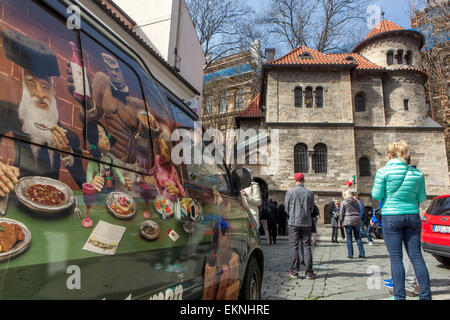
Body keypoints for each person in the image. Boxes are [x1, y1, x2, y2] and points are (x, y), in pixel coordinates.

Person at [0, 28, 86, 196]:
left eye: (45, 87)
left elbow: (83, 182)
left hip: (53, 200)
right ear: (24, 88)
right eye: (31, 85)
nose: (39, 94)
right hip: (16, 197)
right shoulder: (8, 114)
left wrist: (67, 154)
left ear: (53, 91)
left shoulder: (69, 137)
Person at [371, 140, 431, 300]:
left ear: (389, 155)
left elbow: (376, 195)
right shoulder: (417, 174)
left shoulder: (383, 172)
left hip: (392, 217)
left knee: (396, 258)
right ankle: (426, 295)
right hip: (412, 215)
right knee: (416, 256)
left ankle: (399, 296)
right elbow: (422, 197)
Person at [85, 121, 133, 193]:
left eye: (105, 135)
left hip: (111, 194)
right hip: (99, 195)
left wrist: (124, 182)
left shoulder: (112, 161)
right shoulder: (93, 162)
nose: (106, 139)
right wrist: (92, 183)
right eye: (100, 136)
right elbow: (88, 180)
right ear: (94, 142)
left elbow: (118, 172)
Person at [285, 173, 316, 280]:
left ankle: (294, 272)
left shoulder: (290, 192)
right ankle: (309, 272)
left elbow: (286, 208)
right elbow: (312, 208)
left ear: (295, 180)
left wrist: (292, 214)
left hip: (293, 222)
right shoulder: (309, 193)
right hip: (306, 222)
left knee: (294, 246)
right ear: (303, 180)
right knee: (307, 246)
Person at [339, 189, 366, 259]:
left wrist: (340, 222)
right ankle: (362, 253)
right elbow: (359, 210)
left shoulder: (343, 202)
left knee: (349, 238)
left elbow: (341, 214)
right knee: (358, 237)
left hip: (348, 220)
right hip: (356, 220)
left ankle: (350, 254)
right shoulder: (355, 201)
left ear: (345, 195)